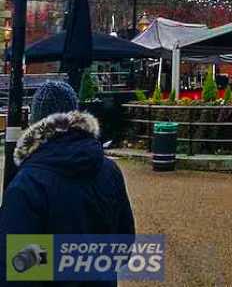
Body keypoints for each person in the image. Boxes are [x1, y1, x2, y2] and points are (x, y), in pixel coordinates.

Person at [0, 81, 135, 285]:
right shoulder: (109, 170)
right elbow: (124, 247)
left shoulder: (27, 184)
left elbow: (16, 269)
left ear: (35, 123)